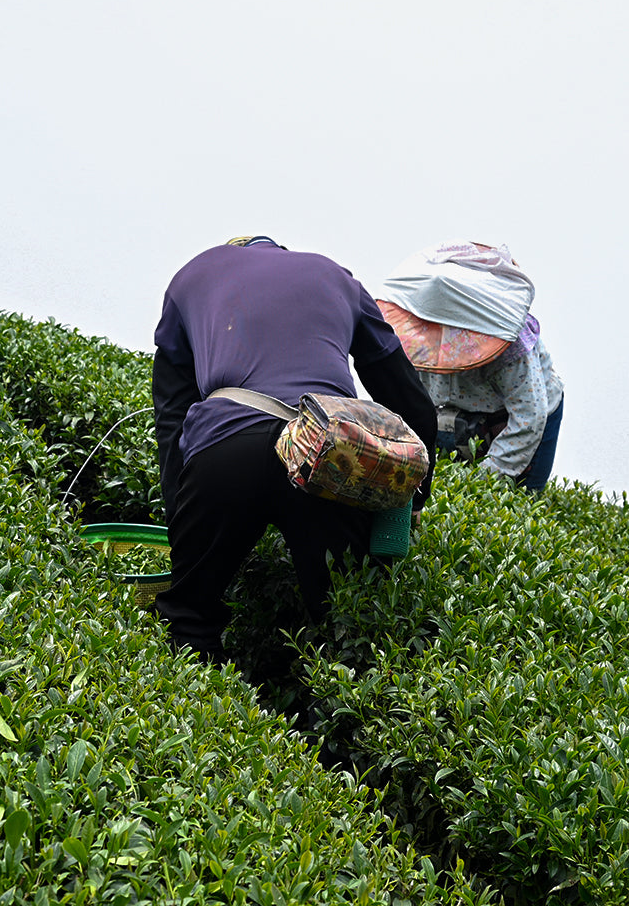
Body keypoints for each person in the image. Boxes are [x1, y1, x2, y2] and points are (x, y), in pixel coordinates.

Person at [151, 235, 437, 664]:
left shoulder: (191, 277)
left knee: (190, 617)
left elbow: (172, 414)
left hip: (226, 453)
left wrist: (184, 517)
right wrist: (413, 499)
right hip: (328, 455)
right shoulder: (337, 278)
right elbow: (412, 404)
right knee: (347, 627)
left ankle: (202, 699)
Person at [376, 239, 563, 492]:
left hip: (522, 415)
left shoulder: (510, 345)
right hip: (459, 417)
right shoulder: (414, 339)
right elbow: (410, 403)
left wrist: (486, 479)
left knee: (522, 493)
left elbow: (529, 416)